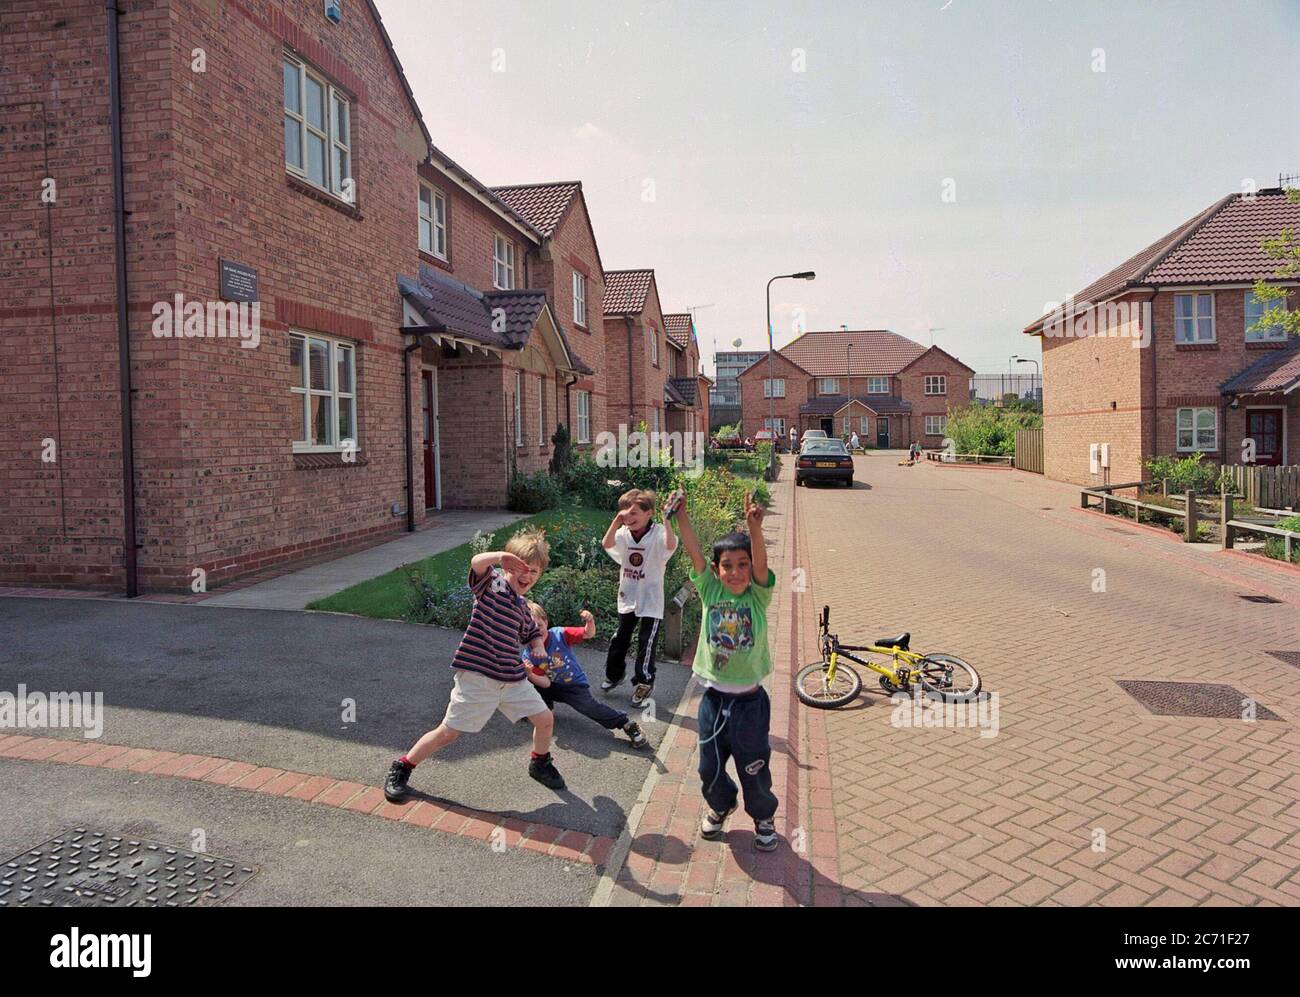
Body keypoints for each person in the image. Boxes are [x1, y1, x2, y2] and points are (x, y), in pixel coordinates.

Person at [382, 526, 565, 803]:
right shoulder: (492, 586)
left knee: (545, 719)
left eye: (534, 572)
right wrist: (499, 556)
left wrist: (538, 646)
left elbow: (531, 634)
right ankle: (403, 767)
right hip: (478, 678)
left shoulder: (523, 607)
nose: (526, 576)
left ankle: (539, 763)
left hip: (512, 680)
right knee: (448, 733)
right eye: (520, 568)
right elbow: (477, 564)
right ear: (506, 567)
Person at [672, 489, 780, 852]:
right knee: (709, 767)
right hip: (713, 702)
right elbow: (694, 553)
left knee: (754, 765)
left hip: (751, 704)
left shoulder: (757, 597)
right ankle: (721, 805)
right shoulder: (710, 591)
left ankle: (763, 815)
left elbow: (763, 565)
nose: (735, 572)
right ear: (716, 572)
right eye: (727, 566)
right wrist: (682, 516)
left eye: (742, 564)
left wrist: (755, 530)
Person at [523, 602, 648, 748]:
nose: (536, 632)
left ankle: (626, 723)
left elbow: (588, 633)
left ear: (546, 622)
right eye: (530, 629)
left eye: (539, 625)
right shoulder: (529, 655)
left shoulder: (559, 634)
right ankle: (543, 709)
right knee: (528, 681)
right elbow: (545, 683)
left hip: (573, 684)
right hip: (551, 685)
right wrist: (529, 674)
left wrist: (589, 621)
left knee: (589, 706)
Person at [600, 488, 678, 708]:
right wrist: (616, 522)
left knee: (647, 642)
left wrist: (667, 519)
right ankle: (614, 675)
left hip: (651, 599)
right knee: (620, 638)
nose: (628, 518)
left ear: (649, 513)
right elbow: (607, 544)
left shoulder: (658, 533)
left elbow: (671, 546)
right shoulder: (623, 533)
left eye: (633, 513)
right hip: (629, 595)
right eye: (624, 513)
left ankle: (644, 682)